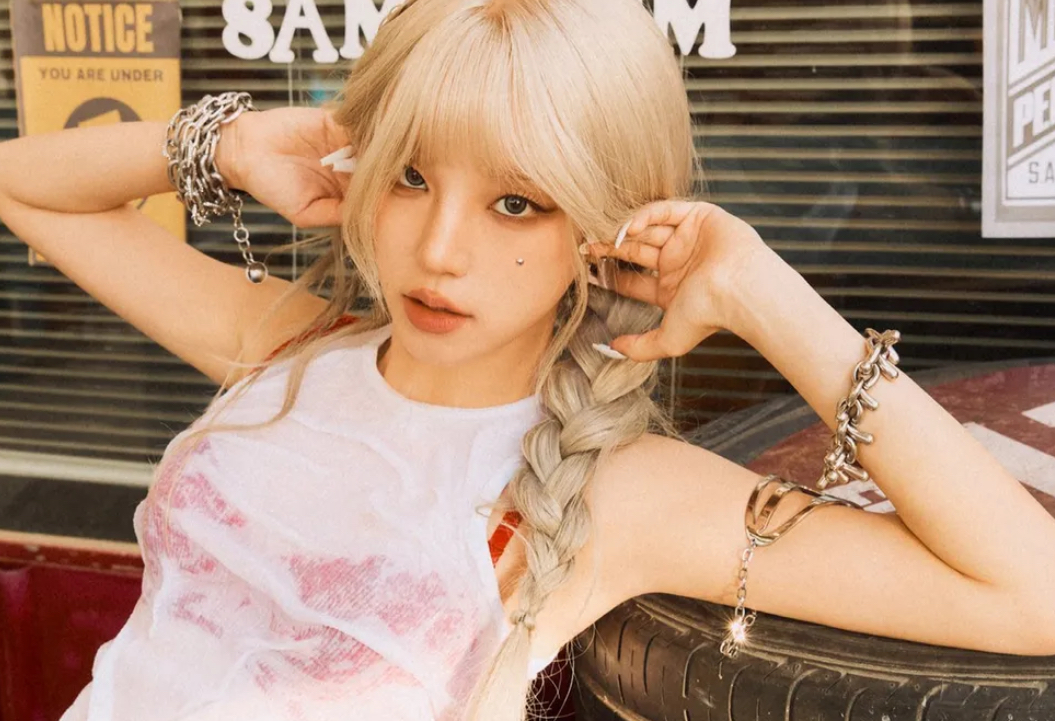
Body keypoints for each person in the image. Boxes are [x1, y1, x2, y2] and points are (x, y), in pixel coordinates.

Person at [1, 0, 1053, 719]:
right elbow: (20, 185)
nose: (439, 250)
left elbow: (1029, 593)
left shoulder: (616, 492)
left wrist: (757, 291)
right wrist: (226, 144)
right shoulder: (291, 349)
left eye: (516, 202)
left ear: (604, 222)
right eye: (410, 176)